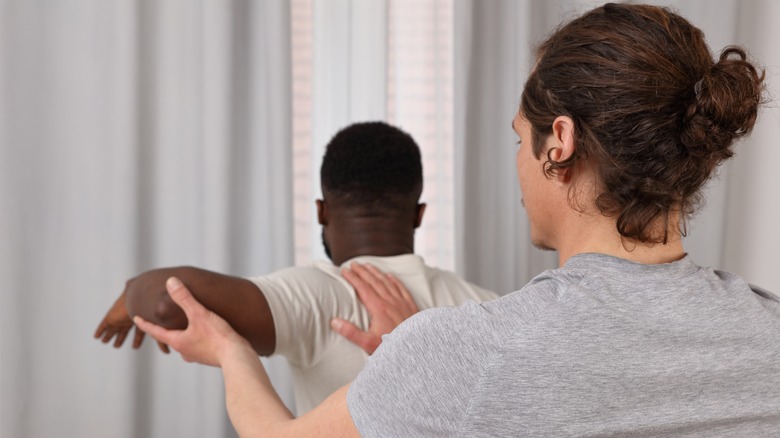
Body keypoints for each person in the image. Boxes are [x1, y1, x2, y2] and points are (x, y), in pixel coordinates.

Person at [133, 3, 780, 436]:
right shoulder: (768, 330)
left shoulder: (474, 350)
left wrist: (227, 348)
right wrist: (423, 363)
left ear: (558, 143)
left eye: (516, 137)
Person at [94, 121, 497, 414]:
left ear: (321, 211)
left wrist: (132, 291)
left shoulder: (316, 294)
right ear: (419, 214)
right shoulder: (487, 307)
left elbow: (166, 301)